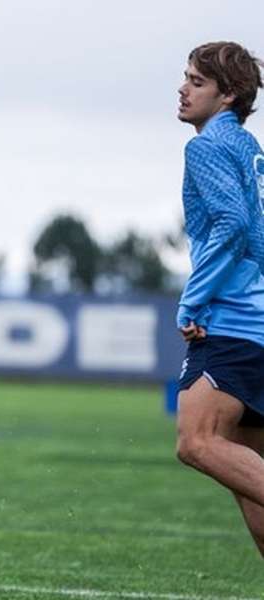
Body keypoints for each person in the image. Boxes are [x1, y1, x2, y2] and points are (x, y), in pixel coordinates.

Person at [174, 41, 264, 558]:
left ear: (228, 95)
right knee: (248, 474)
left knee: (197, 442)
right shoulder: (248, 148)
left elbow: (231, 225)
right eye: (184, 79)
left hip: (233, 320)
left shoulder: (205, 146)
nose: (184, 90)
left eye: (197, 82)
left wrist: (193, 300)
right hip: (256, 320)